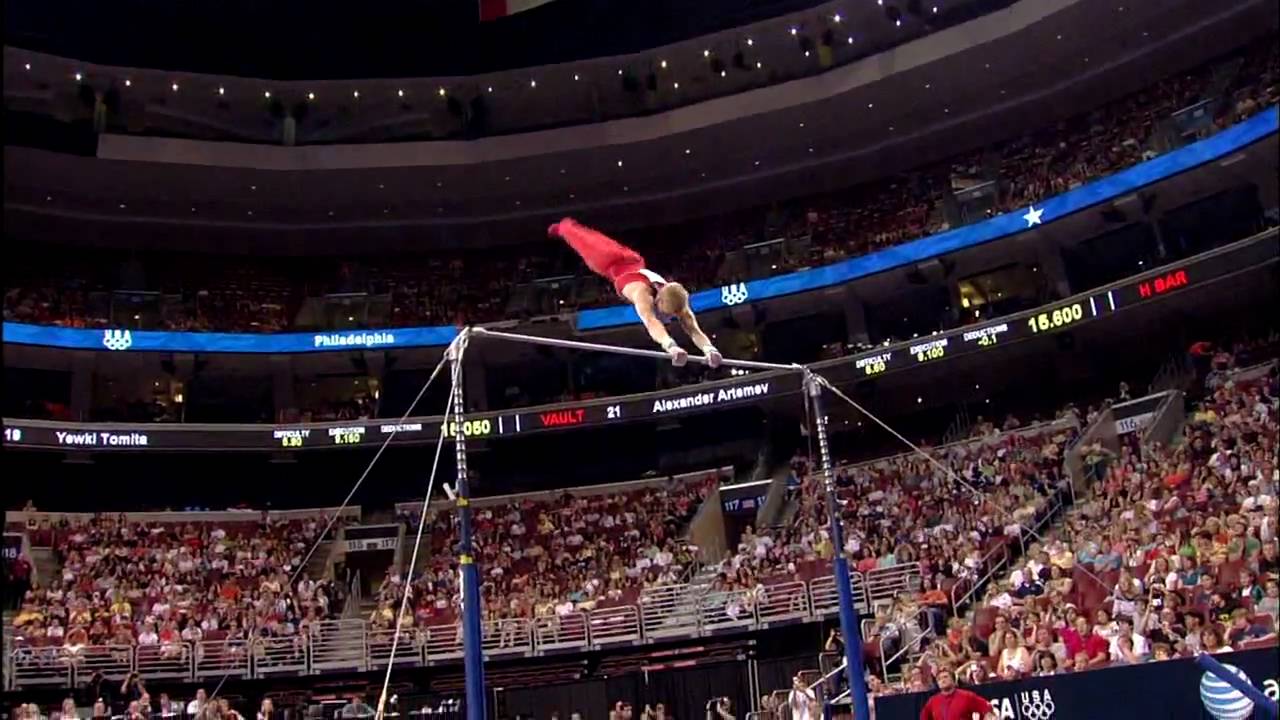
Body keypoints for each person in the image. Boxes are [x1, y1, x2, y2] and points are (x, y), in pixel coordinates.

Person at [549, 217, 722, 366]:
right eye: (667, 314)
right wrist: (670, 345)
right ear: (659, 301)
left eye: (670, 316)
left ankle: (565, 228)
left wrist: (710, 350)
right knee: (581, 238)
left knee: (591, 237)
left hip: (631, 259)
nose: (668, 319)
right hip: (608, 262)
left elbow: (694, 331)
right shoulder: (642, 294)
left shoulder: (680, 304)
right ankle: (563, 227)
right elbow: (651, 322)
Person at [919, 668, 995, 720]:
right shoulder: (933, 701)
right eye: (939, 679)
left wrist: (988, 716)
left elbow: (987, 707)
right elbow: (924, 717)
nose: (942, 680)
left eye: (945, 677)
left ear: (953, 681)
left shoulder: (966, 696)